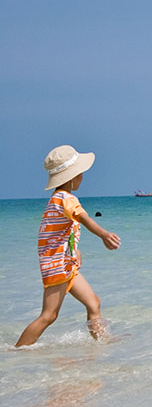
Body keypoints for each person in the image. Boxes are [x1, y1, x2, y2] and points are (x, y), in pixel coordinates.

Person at [16, 145, 121, 347]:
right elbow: (84, 219)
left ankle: (102, 342)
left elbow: (59, 232)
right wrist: (104, 234)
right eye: (80, 173)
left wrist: (75, 250)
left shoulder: (57, 200)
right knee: (49, 315)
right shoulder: (66, 199)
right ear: (72, 177)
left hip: (67, 264)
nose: (82, 177)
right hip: (58, 266)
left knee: (93, 302)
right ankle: (16, 351)